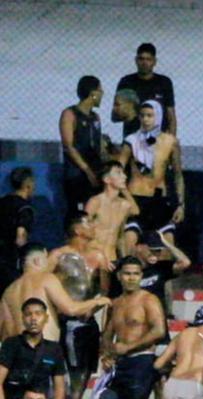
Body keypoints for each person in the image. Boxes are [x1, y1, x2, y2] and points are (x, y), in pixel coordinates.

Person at [101, 256, 167, 399]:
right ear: (119, 276)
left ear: (141, 276)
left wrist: (128, 347)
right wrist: (106, 355)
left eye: (136, 274)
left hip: (142, 361)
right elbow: (107, 334)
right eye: (127, 273)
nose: (131, 278)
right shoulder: (117, 302)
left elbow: (159, 330)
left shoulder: (149, 299)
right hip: (121, 364)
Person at [50, 213, 110, 399]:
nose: (94, 226)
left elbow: (104, 291)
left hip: (88, 322)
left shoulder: (99, 256)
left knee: (84, 373)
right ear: (77, 229)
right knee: (67, 373)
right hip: (65, 321)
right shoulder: (58, 256)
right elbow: (42, 284)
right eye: (89, 223)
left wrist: (91, 309)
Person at [0, 244, 111, 342]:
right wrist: (97, 301)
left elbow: (5, 331)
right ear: (37, 261)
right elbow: (71, 309)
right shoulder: (46, 279)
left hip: (17, 352)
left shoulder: (8, 291)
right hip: (44, 348)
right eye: (46, 258)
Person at [116, 101, 185, 252]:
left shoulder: (170, 142)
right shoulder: (131, 141)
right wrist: (127, 198)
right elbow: (116, 172)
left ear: (158, 116)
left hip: (159, 201)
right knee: (129, 246)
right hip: (136, 199)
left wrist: (181, 205)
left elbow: (178, 175)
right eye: (142, 116)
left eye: (150, 115)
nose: (145, 119)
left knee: (168, 249)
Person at [0, 299, 68, 399]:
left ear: (46, 318)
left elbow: (60, 388)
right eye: (28, 314)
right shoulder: (11, 344)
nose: (33, 319)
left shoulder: (54, 349)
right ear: (22, 318)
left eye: (38, 314)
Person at [59, 76, 105, 221]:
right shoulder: (69, 114)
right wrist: (87, 170)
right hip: (77, 175)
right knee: (78, 215)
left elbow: (98, 146)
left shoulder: (95, 117)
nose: (102, 94)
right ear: (93, 93)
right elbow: (68, 146)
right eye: (100, 90)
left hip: (95, 174)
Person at [114, 43, 177, 136]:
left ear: (154, 61)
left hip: (158, 139)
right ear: (136, 60)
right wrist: (128, 112)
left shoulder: (164, 82)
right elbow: (115, 116)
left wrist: (172, 140)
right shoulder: (126, 82)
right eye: (141, 59)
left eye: (148, 59)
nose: (144, 63)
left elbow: (171, 115)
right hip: (132, 138)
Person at [83, 161, 140, 264]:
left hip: (112, 258)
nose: (125, 176)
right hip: (94, 258)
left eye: (123, 173)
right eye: (118, 173)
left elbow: (135, 211)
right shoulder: (96, 202)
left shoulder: (124, 205)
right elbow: (83, 231)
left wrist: (124, 260)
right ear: (106, 179)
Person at [0, 167, 35, 291]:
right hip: (10, 261)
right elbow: (20, 238)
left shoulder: (2, 202)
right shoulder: (24, 208)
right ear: (28, 185)